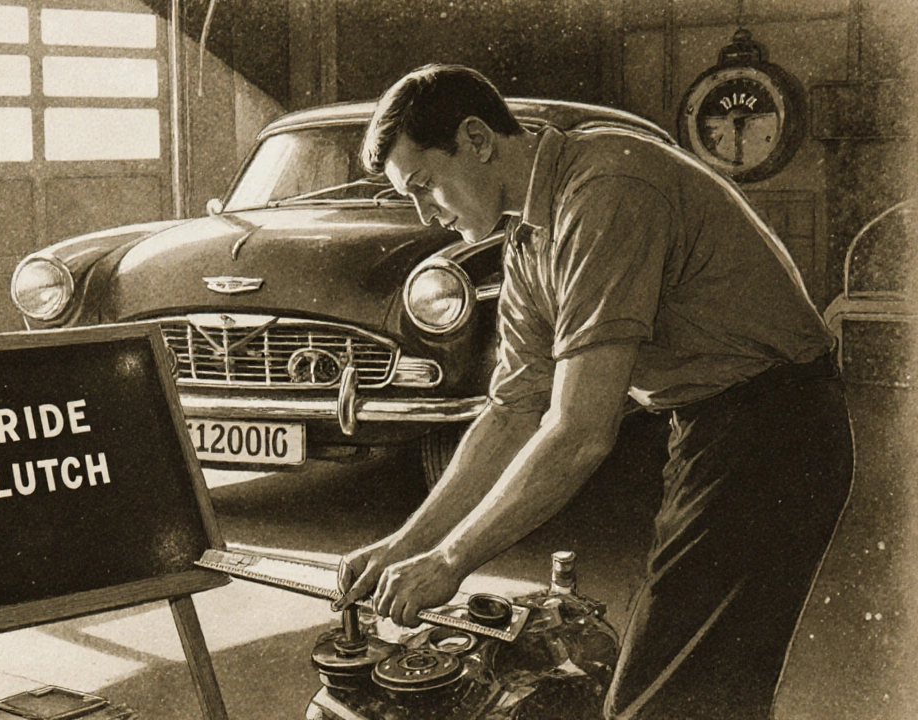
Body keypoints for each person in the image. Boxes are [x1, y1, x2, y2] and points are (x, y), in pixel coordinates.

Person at [334, 64, 853, 720]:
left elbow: (579, 433)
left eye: (425, 185)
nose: (427, 214)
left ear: (478, 139)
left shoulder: (603, 190)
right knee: (690, 694)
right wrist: (405, 545)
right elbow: (515, 409)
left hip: (778, 429)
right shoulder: (528, 234)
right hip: (715, 430)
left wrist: (452, 560)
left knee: (666, 702)